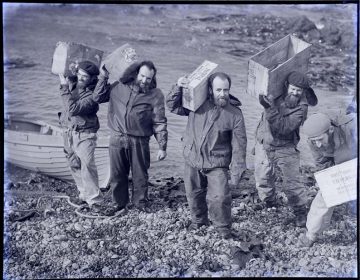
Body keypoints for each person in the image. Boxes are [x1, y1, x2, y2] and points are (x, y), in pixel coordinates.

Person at [166, 72, 247, 239]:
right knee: (193, 193)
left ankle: (223, 228)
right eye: (218, 90)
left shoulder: (235, 114)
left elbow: (239, 145)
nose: (222, 94)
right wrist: (178, 87)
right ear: (210, 89)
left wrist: (237, 170)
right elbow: (172, 106)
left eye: (226, 90)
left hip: (217, 162)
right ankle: (198, 222)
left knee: (220, 197)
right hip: (192, 158)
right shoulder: (196, 103)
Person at [93, 60, 168, 212]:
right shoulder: (118, 87)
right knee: (117, 174)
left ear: (153, 78)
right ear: (136, 73)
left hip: (139, 140)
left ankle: (140, 203)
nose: (144, 80)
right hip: (117, 137)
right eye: (142, 76)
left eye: (149, 78)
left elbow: (159, 122)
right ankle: (119, 202)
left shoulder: (156, 95)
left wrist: (162, 146)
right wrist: (103, 76)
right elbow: (98, 97)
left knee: (140, 175)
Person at [253, 71, 318, 227]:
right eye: (293, 88)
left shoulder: (302, 108)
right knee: (263, 177)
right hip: (265, 142)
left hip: (286, 147)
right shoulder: (275, 93)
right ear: (286, 86)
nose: (295, 93)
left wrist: (268, 108)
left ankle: (300, 212)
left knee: (292, 182)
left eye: (299, 90)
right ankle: (269, 203)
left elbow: (284, 127)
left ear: (303, 92)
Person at [297, 111, 357, 247]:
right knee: (325, 194)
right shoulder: (313, 141)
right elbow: (322, 163)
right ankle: (311, 235)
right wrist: (330, 182)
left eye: (320, 139)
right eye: (314, 141)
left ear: (330, 130)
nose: (317, 144)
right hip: (343, 165)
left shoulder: (352, 127)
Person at [58, 60, 103, 209]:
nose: (81, 78)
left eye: (85, 77)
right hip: (69, 132)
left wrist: (64, 86)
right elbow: (62, 67)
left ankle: (95, 201)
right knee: (74, 165)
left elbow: (72, 109)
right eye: (80, 74)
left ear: (92, 79)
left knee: (88, 167)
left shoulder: (94, 96)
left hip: (85, 135)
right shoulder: (74, 83)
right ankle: (84, 195)